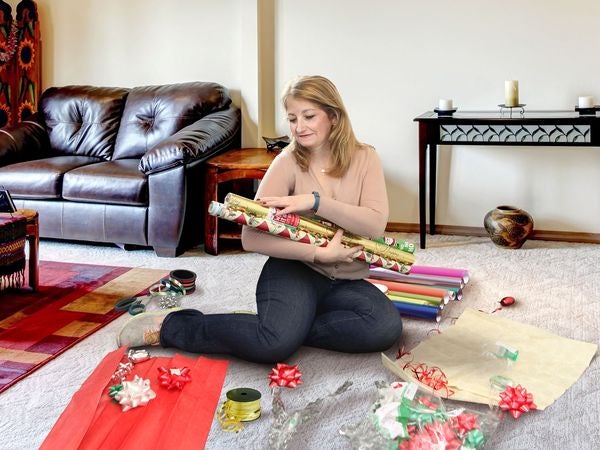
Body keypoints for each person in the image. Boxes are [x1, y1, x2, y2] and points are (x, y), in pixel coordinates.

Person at [117, 75, 403, 363]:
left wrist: (316, 202)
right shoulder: (287, 161)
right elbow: (251, 237)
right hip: (295, 270)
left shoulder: (366, 158)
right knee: (272, 345)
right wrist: (318, 254)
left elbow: (374, 224)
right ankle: (171, 326)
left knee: (384, 328)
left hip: (346, 279)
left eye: (309, 116)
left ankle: (283, 325)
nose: (299, 127)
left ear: (333, 116)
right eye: (292, 119)